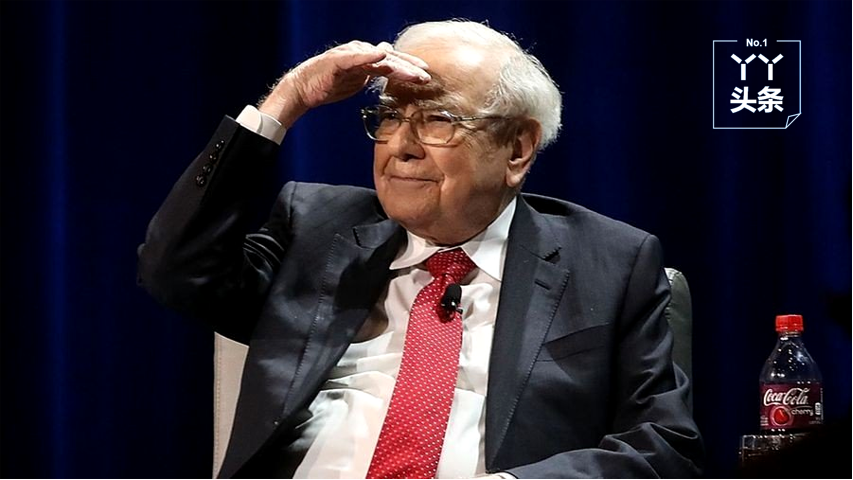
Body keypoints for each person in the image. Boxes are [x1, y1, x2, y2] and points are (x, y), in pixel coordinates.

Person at [138, 19, 703, 479]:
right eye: (390, 116)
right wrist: (288, 101)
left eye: (437, 119)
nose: (401, 147)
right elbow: (175, 271)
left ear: (518, 148)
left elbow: (662, 447)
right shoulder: (316, 229)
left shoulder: (610, 263)